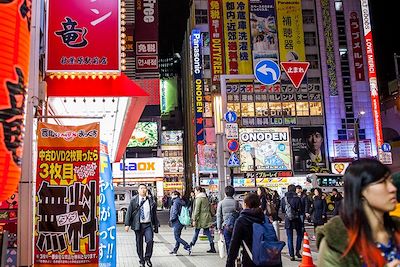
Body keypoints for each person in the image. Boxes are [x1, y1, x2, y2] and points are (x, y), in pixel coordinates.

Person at [317, 159, 400, 266]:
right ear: (360, 190)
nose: (393, 188)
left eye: (391, 181)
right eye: (382, 182)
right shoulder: (336, 241)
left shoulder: (397, 228)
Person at [226, 193, 282, 267]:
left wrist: (229, 263)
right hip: (268, 258)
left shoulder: (242, 220)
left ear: (245, 204)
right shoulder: (264, 218)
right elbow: (273, 238)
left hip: (251, 259)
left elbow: (234, 244)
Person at [125, 184, 159, 267]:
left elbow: (154, 214)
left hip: (148, 225)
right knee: (139, 244)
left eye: (144, 188)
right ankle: (141, 260)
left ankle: (147, 258)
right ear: (138, 190)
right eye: (141, 188)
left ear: (146, 190)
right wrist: (127, 224)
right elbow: (129, 212)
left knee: (150, 241)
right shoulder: (134, 200)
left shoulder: (150, 200)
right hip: (138, 225)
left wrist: (156, 225)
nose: (143, 190)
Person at [190, 186, 216, 253]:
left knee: (197, 231)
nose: (194, 192)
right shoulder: (205, 197)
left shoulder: (199, 198)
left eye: (195, 191)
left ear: (198, 191)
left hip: (201, 218)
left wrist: (194, 219)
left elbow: (197, 210)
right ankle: (212, 247)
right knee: (207, 232)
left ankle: (191, 245)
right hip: (206, 217)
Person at [281, 184, 303, 261]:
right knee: (299, 235)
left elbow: (283, 210)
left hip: (288, 220)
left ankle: (291, 255)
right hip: (296, 219)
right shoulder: (297, 198)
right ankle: (297, 251)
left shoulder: (284, 199)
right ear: (294, 190)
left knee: (289, 237)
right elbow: (300, 209)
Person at [216, 186, 240, 253]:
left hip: (226, 226)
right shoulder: (237, 203)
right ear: (233, 193)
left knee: (228, 243)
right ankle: (236, 255)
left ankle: (230, 257)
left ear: (225, 193)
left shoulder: (221, 203)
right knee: (236, 243)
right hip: (236, 226)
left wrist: (219, 228)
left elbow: (219, 216)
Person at [168, 191, 192, 255]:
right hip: (181, 221)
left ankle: (187, 246)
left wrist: (171, 219)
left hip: (177, 221)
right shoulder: (181, 201)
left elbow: (175, 212)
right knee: (178, 236)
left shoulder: (176, 202)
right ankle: (175, 250)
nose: (171, 196)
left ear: (175, 195)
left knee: (176, 237)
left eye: (172, 194)